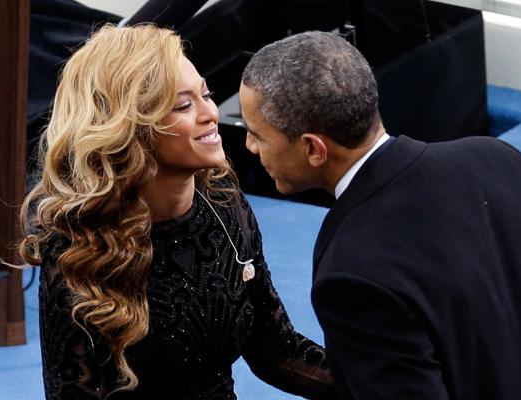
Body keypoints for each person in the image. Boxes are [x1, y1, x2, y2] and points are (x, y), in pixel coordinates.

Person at [238, 30, 521, 399]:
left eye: (257, 134)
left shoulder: (351, 274)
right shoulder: (498, 159)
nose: (249, 146)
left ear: (313, 149)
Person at [19, 24, 336, 400]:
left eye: (206, 95)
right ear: (131, 129)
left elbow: (277, 353)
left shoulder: (225, 205)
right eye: (184, 105)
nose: (211, 114)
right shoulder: (81, 246)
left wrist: (393, 383)